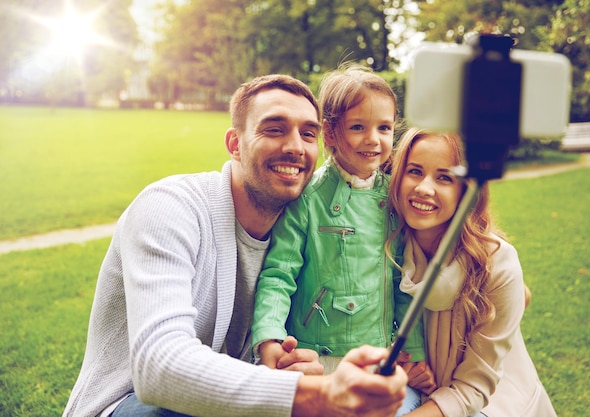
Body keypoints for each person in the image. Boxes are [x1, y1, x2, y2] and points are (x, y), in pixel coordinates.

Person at [62, 74, 409, 417]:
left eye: (307, 134)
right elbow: (159, 367)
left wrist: (287, 366)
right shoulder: (170, 207)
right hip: (130, 403)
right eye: (274, 129)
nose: (294, 147)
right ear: (234, 144)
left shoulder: (305, 229)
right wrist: (316, 394)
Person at [251, 65, 435, 416]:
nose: (373, 139)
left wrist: (413, 354)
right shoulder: (307, 199)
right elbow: (278, 275)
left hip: (375, 356)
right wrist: (269, 337)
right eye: (358, 127)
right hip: (315, 360)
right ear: (330, 133)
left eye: (383, 128)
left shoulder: (395, 199)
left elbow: (403, 283)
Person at [384, 128, 557, 417]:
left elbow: (473, 389)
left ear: (466, 190)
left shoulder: (498, 263)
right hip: (423, 390)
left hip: (491, 401)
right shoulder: (390, 246)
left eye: (444, 177)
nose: (424, 189)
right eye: (414, 171)